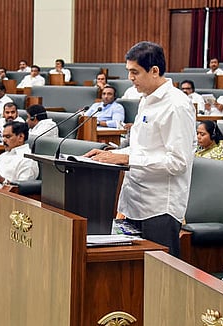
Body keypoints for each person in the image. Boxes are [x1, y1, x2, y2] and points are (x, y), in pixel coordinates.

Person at [84, 41, 194, 257]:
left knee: (160, 279)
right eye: (128, 72)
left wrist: (126, 160)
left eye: (135, 72)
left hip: (160, 206)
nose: (130, 78)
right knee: (136, 275)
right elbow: (141, 149)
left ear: (154, 71)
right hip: (134, 201)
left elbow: (178, 162)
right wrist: (111, 155)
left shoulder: (177, 105)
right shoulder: (145, 100)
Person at [0, 121, 39, 186]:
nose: (4, 140)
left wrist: (1, 180)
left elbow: (22, 190)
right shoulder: (2, 156)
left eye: (8, 137)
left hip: (3, 195)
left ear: (20, 137)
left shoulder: (28, 160)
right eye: (3, 137)